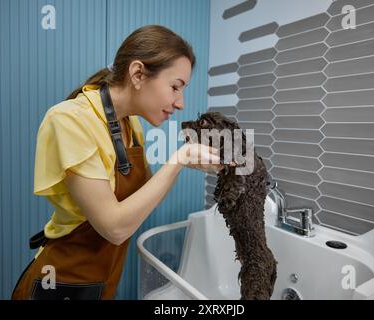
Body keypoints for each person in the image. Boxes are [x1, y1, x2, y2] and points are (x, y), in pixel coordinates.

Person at [12, 25, 222, 300]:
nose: (180, 102)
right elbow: (114, 227)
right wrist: (177, 161)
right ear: (137, 74)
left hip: (104, 280)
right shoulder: (69, 120)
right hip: (62, 280)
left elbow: (139, 198)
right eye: (175, 87)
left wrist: (187, 162)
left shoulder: (130, 124)